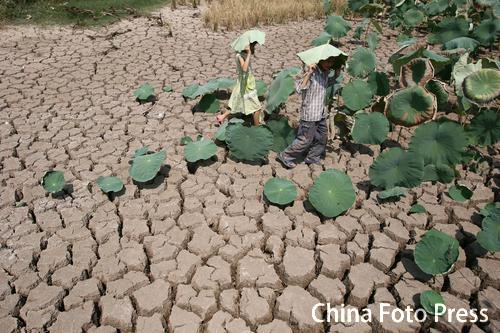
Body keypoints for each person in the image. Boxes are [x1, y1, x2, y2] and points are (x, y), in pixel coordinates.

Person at [278, 56, 342, 168]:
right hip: (310, 114)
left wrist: (336, 74)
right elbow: (299, 88)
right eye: (327, 61)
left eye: (332, 62)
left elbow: (327, 84)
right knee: (305, 140)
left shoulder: (325, 73)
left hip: (320, 113)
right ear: (320, 60)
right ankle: (286, 155)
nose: (329, 64)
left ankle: (312, 158)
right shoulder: (311, 73)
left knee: (322, 137)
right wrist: (309, 73)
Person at [216, 42, 262, 126]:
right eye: (252, 46)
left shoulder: (242, 55)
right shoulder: (239, 56)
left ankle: (222, 117)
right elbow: (244, 68)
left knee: (238, 103)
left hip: (246, 83)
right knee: (257, 108)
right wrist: (249, 54)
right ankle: (257, 128)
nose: (253, 48)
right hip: (246, 85)